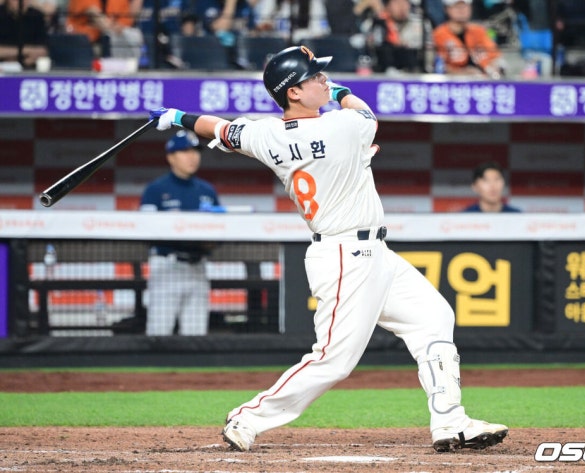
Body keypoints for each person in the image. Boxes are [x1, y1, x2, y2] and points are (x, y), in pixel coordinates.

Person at [149, 45, 508, 452]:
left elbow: (222, 129)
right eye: (315, 77)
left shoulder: (265, 134)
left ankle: (450, 422)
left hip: (371, 253)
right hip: (345, 255)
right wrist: (339, 92)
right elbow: (365, 113)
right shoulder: (340, 125)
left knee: (433, 317)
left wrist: (178, 117)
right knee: (334, 359)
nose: (324, 79)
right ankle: (248, 417)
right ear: (293, 92)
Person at [140, 130, 220, 336]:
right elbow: (145, 230)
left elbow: (220, 229)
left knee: (196, 335)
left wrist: (210, 241)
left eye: (195, 151)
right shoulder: (156, 190)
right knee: (159, 333)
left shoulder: (207, 191)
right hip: (167, 266)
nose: (192, 156)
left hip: (197, 266)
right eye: (185, 151)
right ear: (171, 157)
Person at [432, 0, 504, 78]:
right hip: (452, 82)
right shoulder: (438, 34)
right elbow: (439, 66)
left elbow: (496, 57)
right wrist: (462, 73)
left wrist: (493, 69)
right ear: (447, 9)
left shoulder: (479, 31)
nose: (461, 10)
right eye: (457, 6)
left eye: (465, 6)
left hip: (483, 81)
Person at [66, 0, 144, 59]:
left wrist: (112, 27)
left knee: (131, 36)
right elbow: (96, 17)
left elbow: (125, 25)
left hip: (110, 45)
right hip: (80, 46)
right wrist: (112, 26)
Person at [367, 0, 424, 73]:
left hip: (412, 67)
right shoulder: (377, 23)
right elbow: (372, 44)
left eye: (405, 3)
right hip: (384, 68)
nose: (401, 7)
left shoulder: (418, 22)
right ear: (387, 6)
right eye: (397, 3)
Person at [0, 0, 49, 68]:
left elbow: (43, 50)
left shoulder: (36, 15)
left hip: (29, 67)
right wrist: (26, 51)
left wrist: (19, 61)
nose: (22, 2)